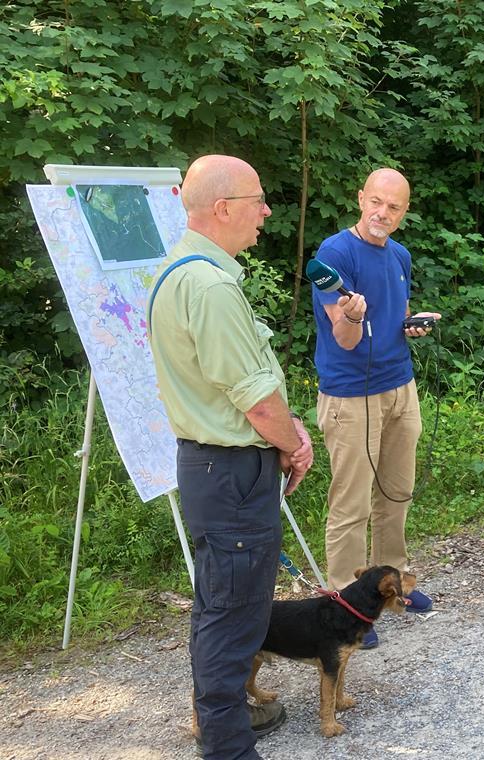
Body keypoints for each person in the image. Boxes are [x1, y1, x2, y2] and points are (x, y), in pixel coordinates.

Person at [149, 155, 314, 759]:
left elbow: (238, 388)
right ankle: (226, 747)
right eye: (257, 199)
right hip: (232, 472)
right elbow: (256, 402)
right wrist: (294, 442)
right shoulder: (211, 286)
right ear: (223, 208)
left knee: (222, 602)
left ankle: (220, 722)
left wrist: (283, 427)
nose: (267, 211)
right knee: (235, 613)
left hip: (211, 469)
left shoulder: (177, 272)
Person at [311, 168, 438, 648]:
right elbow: (343, 338)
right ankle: (344, 606)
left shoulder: (400, 255)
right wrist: (351, 314)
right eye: (376, 202)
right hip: (350, 394)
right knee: (351, 504)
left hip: (399, 386)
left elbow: (395, 316)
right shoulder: (335, 253)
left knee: (397, 493)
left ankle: (394, 583)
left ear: (404, 214)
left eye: (395, 207)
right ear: (360, 198)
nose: (383, 214)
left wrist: (411, 325)